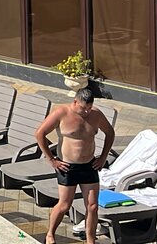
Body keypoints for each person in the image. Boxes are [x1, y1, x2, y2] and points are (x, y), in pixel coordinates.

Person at [34, 88, 115, 244]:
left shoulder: (96, 114)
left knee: (92, 206)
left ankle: (90, 240)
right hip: (67, 167)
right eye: (83, 108)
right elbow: (39, 133)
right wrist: (51, 159)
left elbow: (110, 133)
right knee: (65, 204)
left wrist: (103, 157)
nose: (86, 112)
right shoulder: (61, 113)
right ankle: (50, 234)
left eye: (89, 108)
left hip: (89, 166)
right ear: (75, 101)